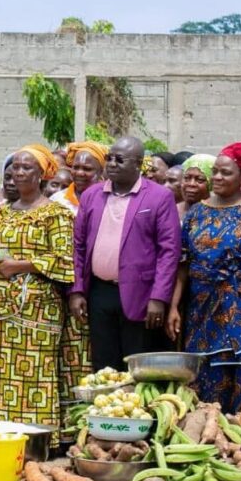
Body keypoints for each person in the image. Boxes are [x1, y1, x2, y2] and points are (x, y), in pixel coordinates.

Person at [167, 142, 241, 411]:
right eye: (216, 172)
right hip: (201, 309)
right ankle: (209, 440)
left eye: (226, 173)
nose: (217, 177)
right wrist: (173, 305)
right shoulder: (198, 212)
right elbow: (184, 264)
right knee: (204, 375)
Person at [0, 144, 74, 436]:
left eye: (26, 167)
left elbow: (65, 260)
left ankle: (38, 438)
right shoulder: (1, 213)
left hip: (37, 310)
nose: (18, 172)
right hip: (0, 309)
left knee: (37, 373)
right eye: (15, 167)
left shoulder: (56, 214)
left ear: (43, 174)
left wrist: (20, 266)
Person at [69, 136, 180, 371]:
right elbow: (78, 246)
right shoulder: (92, 195)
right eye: (109, 158)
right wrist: (77, 290)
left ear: (138, 163)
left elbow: (169, 251)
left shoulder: (159, 197)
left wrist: (158, 298)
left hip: (141, 295)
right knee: (104, 365)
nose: (111, 164)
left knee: (137, 366)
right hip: (99, 292)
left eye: (119, 160)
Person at [50, 141, 107, 399]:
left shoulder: (109, 198)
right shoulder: (58, 201)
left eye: (89, 168)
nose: (81, 173)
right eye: (77, 167)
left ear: (102, 171)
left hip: (97, 285)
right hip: (62, 287)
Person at [177, 154, 214, 220]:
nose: (191, 184)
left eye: (200, 180)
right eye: (187, 178)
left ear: (211, 184)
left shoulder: (218, 215)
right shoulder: (171, 210)